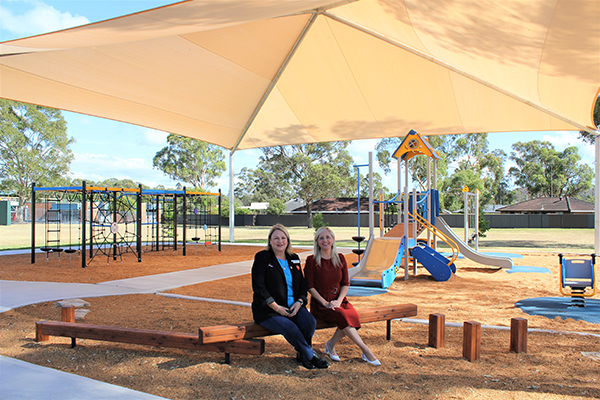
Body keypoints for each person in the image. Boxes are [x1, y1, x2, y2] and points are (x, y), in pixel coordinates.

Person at [251, 224, 329, 369]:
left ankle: (302, 354)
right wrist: (276, 307)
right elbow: (259, 287)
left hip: (293, 306)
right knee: (291, 328)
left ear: (288, 240)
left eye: (283, 238)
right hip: (269, 311)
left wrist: (300, 302)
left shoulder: (293, 258)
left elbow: (303, 284)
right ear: (270, 241)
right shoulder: (263, 257)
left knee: (309, 322)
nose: (280, 241)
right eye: (276, 238)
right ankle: (310, 355)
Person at [304, 227, 381, 366]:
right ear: (317, 242)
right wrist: (325, 303)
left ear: (333, 239)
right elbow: (310, 286)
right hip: (321, 303)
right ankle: (365, 350)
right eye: (321, 238)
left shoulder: (340, 258)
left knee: (353, 316)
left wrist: (338, 301)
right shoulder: (312, 260)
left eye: (328, 237)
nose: (325, 240)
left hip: (339, 300)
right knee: (344, 317)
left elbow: (345, 283)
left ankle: (330, 344)